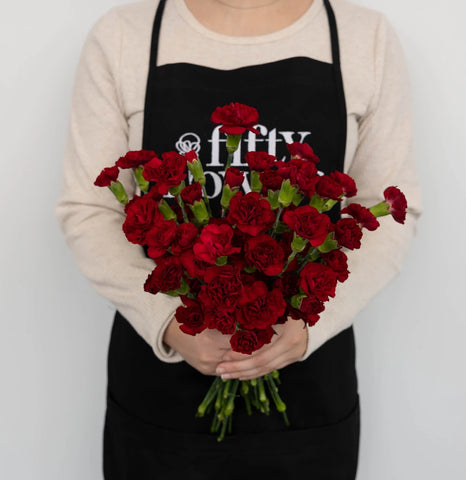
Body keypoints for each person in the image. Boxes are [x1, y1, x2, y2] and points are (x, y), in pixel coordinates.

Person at [56, 0, 422, 478]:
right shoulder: (124, 35)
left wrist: (307, 326)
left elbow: (392, 212)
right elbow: (88, 207)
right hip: (160, 392)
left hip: (306, 394)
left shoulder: (363, 36)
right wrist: (168, 319)